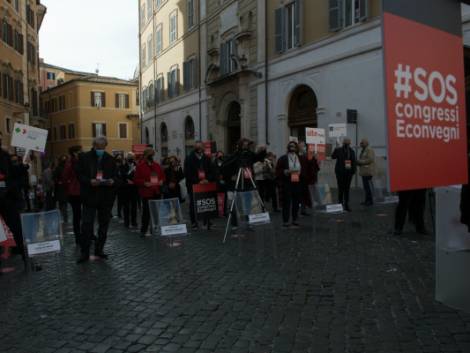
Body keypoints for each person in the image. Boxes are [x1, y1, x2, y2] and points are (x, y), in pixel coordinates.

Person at [76, 136, 118, 263]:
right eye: (98, 147)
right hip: (89, 196)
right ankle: (85, 252)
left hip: (105, 197)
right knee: (87, 225)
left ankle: (99, 250)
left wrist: (113, 181)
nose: (100, 149)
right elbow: (79, 175)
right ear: (94, 146)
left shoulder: (110, 159)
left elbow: (117, 176)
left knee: (104, 225)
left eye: (103, 147)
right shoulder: (84, 157)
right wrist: (89, 181)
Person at [134, 148, 165, 236]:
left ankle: (155, 228)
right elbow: (136, 179)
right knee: (146, 213)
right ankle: (143, 230)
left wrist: (162, 181)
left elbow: (163, 176)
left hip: (157, 191)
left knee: (156, 212)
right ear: (146, 156)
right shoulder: (140, 166)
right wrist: (144, 183)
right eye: (150, 155)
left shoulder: (157, 165)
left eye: (153, 154)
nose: (152, 156)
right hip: (147, 192)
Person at [184, 141, 213, 229]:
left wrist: (207, 179)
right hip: (193, 184)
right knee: (193, 204)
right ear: (195, 148)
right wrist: (197, 181)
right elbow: (187, 173)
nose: (200, 149)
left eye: (201, 147)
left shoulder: (207, 158)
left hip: (205, 184)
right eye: (198, 147)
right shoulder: (189, 158)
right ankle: (194, 222)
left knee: (206, 203)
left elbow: (211, 170)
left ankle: (207, 221)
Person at [276, 141, 302, 228]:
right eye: (290, 146)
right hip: (287, 182)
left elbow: (306, 168)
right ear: (288, 147)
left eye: (294, 146)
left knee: (296, 202)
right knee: (287, 202)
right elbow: (278, 170)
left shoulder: (300, 158)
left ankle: (295, 219)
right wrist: (285, 171)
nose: (292, 148)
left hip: (297, 182)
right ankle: (286, 220)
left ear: (296, 148)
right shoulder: (283, 158)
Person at [63, 146, 82, 244]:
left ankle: (84, 235)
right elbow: (65, 177)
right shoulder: (70, 163)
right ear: (75, 153)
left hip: (80, 191)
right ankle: (78, 236)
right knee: (77, 215)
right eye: (79, 151)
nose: (81, 152)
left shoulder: (79, 161)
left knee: (81, 215)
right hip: (74, 192)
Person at [332, 138, 356, 212]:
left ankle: (346, 205)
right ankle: (340, 204)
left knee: (347, 189)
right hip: (340, 172)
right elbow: (333, 157)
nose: (347, 143)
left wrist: (353, 171)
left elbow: (353, 161)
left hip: (348, 173)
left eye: (348, 142)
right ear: (343, 143)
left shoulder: (351, 151)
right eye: (346, 142)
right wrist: (335, 149)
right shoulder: (339, 150)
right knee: (340, 189)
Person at [119, 152, 138, 229]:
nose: (131, 159)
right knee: (126, 206)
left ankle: (134, 222)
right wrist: (127, 179)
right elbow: (122, 175)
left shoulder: (137, 165)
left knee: (134, 206)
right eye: (129, 157)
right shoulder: (123, 166)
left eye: (132, 157)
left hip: (134, 188)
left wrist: (134, 180)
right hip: (125, 188)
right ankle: (126, 222)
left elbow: (139, 175)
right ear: (126, 159)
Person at [357, 139, 375, 206]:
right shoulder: (363, 150)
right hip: (364, 172)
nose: (361, 144)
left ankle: (370, 201)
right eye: (360, 143)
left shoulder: (369, 150)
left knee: (368, 187)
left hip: (368, 171)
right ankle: (367, 200)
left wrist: (360, 162)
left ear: (366, 143)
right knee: (366, 187)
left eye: (362, 143)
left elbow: (370, 159)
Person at [53, 155, 69, 223]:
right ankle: (64, 217)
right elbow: (55, 177)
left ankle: (64, 217)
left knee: (62, 204)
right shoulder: (60, 168)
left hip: (63, 188)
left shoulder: (63, 168)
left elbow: (54, 177)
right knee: (63, 204)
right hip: (62, 188)